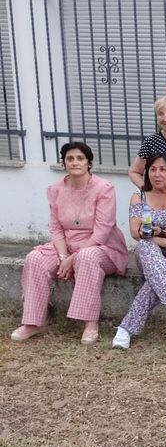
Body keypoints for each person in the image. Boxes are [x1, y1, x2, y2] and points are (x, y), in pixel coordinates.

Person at [11, 142, 127, 345]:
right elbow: (56, 228)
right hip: (67, 245)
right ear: (63, 163)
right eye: (70, 158)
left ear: (89, 163)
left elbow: (102, 231)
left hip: (102, 246)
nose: (75, 163)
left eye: (80, 158)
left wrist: (73, 258)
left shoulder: (104, 189)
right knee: (35, 258)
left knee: (86, 257)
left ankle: (90, 323)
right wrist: (64, 256)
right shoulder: (55, 189)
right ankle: (33, 322)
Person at [112, 154, 166, 350]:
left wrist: (165, 233)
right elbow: (136, 232)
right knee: (145, 246)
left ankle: (125, 330)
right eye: (152, 170)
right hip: (151, 250)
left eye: (162, 170)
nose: (157, 174)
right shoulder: (139, 197)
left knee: (154, 282)